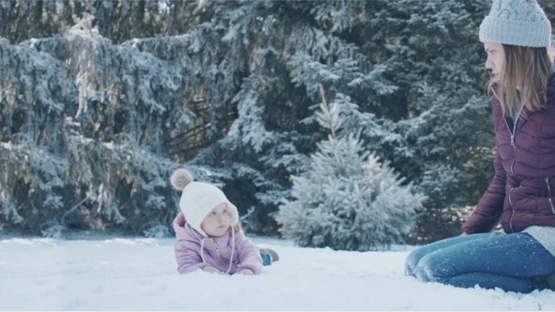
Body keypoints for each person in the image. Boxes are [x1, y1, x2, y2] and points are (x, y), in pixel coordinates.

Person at [405, 0, 555, 293]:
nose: (488, 63)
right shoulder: (506, 98)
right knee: (416, 262)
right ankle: (539, 279)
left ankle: (540, 284)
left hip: (548, 239)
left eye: (492, 52)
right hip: (520, 234)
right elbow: (503, 177)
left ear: (520, 49)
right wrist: (471, 232)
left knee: (438, 270)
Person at [170, 168, 279, 275]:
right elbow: (186, 265)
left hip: (238, 262)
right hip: (214, 265)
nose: (222, 218)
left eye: (224, 211)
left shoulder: (232, 233)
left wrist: (248, 268)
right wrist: (204, 269)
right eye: (213, 213)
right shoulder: (187, 243)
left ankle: (264, 254)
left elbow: (249, 251)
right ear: (195, 221)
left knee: (257, 256)